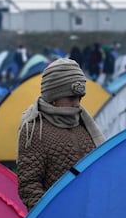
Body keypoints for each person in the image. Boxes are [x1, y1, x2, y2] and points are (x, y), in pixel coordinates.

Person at [16, 58, 105, 210]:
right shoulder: (34, 131)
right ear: (54, 97)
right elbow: (29, 186)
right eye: (71, 97)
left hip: (91, 214)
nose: (77, 103)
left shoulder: (84, 125)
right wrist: (51, 216)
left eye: (79, 98)